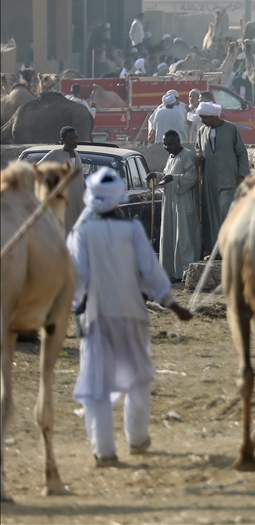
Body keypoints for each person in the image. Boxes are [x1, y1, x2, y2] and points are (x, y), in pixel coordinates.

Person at [67, 167, 193, 466]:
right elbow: (151, 272)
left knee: (97, 384)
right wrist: (172, 304)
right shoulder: (133, 230)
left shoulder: (81, 232)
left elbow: (77, 278)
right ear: (119, 197)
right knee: (138, 379)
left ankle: (104, 450)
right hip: (132, 315)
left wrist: (76, 307)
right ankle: (136, 439)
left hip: (97, 318)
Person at [196, 103, 250, 256]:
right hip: (209, 180)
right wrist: (198, 156)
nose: (202, 121)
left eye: (204, 118)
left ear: (213, 116)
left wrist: (242, 175)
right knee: (211, 215)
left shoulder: (231, 129)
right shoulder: (201, 131)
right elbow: (198, 148)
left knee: (226, 209)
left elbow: (241, 153)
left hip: (228, 178)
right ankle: (217, 251)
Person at [154, 130, 199, 281]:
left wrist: (173, 178)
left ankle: (186, 271)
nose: (167, 147)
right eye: (165, 144)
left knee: (184, 237)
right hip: (171, 201)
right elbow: (167, 175)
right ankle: (172, 272)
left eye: (170, 144)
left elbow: (193, 176)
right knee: (170, 235)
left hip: (184, 201)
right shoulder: (171, 157)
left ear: (179, 141)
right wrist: (157, 176)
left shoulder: (187, 155)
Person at [39, 126, 87, 235]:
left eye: (76, 138)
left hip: (78, 201)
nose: (75, 141)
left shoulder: (77, 155)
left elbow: (79, 178)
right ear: (63, 140)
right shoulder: (55, 154)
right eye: (71, 139)